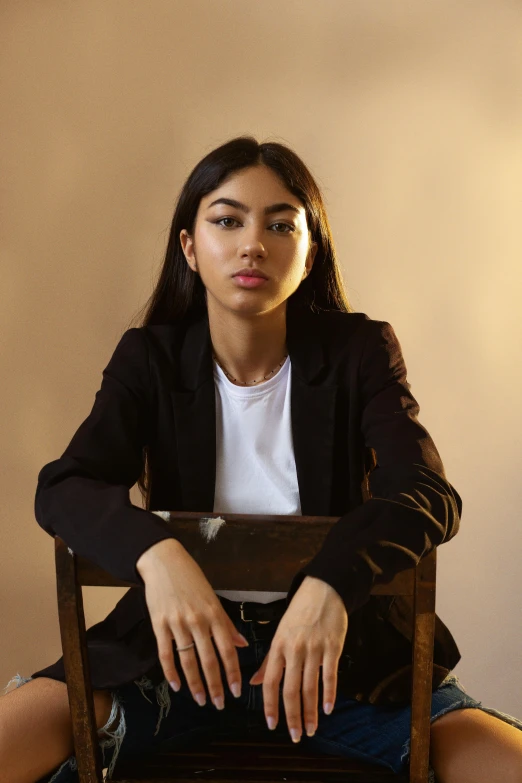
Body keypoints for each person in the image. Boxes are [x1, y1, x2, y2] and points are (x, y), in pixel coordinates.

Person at [1, 136, 521, 783]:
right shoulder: (150, 358)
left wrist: (327, 585)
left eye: (281, 224)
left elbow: (423, 491)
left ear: (310, 253)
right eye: (227, 219)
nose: (254, 243)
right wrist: (160, 557)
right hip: (170, 660)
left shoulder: (360, 352)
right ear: (190, 246)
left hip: (341, 666)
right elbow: (66, 486)